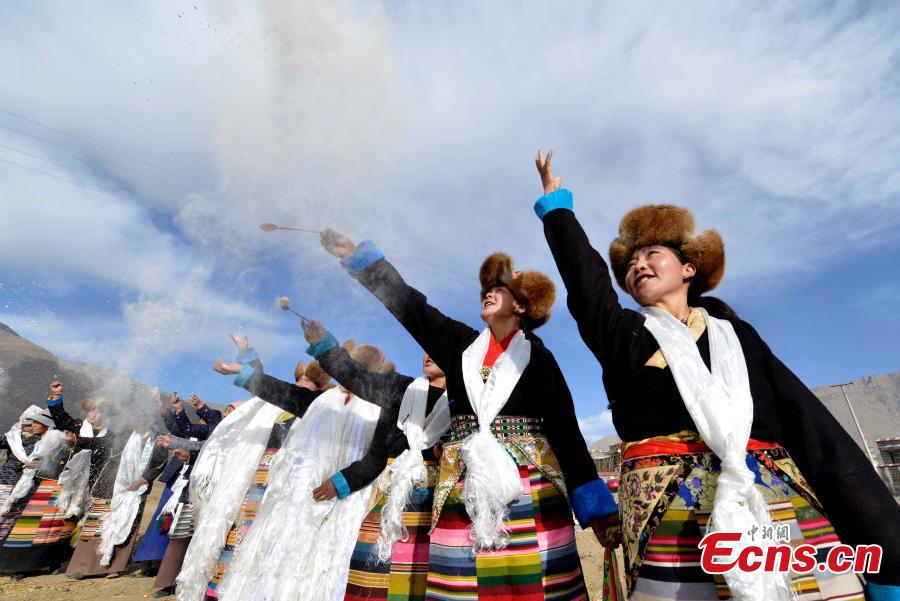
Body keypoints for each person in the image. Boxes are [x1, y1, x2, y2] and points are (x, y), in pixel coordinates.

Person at [531, 150, 900, 600]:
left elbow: (810, 427)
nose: (638, 265)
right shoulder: (622, 334)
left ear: (689, 269)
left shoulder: (737, 337)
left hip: (776, 501)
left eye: (653, 254)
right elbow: (585, 280)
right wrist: (558, 208)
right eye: (630, 264)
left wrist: (886, 548)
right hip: (669, 512)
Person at [319, 230, 617, 600]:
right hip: (465, 487)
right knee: (461, 586)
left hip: (532, 489)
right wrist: (359, 260)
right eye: (487, 289)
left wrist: (597, 508)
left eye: (500, 288)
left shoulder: (540, 359)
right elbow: (411, 308)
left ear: (521, 306)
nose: (488, 293)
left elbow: (567, 432)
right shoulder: (460, 347)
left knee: (537, 585)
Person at [208, 335, 397, 601]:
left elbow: (377, 457)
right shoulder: (319, 400)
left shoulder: (381, 408)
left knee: (326, 560)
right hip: (300, 497)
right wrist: (242, 371)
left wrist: (342, 482)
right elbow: (278, 390)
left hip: (347, 499)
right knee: (283, 553)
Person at [302, 320, 450, 601]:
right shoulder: (402, 389)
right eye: (425, 350)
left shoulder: (466, 403)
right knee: (371, 578)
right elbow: (357, 379)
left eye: (437, 350)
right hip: (389, 496)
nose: (428, 355)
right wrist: (325, 348)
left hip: (439, 503)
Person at [0, 410, 75, 579]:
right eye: (31, 422)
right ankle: (23, 565)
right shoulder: (37, 440)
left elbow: (62, 460)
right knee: (29, 528)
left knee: (45, 529)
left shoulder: (58, 439)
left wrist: (41, 466)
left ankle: (46, 563)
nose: (32, 425)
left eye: (36, 422)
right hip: (34, 486)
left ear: (45, 424)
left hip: (50, 487)